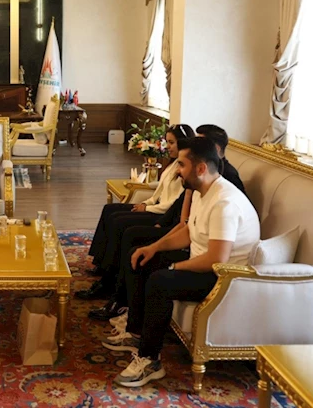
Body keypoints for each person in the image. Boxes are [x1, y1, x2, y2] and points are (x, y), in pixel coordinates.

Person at [103, 137, 259, 387]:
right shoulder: (202, 190)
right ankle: (136, 332)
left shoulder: (225, 203)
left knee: (160, 281)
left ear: (201, 168)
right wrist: (153, 248)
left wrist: (174, 267)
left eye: (182, 165)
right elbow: (189, 232)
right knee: (142, 257)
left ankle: (150, 361)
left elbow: (217, 259)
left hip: (225, 278)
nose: (177, 171)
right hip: (204, 262)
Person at [87, 123, 246, 321]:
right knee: (120, 223)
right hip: (184, 229)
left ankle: (118, 299)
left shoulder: (221, 185)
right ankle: (110, 283)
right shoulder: (200, 180)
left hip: (206, 256)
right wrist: (157, 237)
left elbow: (212, 249)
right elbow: (183, 214)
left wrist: (172, 259)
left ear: (213, 150)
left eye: (200, 142)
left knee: (131, 234)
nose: (179, 169)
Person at [78, 124, 195, 299]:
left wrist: (147, 208)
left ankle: (109, 278)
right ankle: (102, 263)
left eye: (172, 142)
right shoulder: (173, 164)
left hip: (161, 214)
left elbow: (171, 204)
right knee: (110, 210)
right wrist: (146, 202)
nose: (168, 147)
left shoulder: (185, 170)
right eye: (167, 142)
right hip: (156, 207)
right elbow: (160, 192)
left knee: (119, 222)